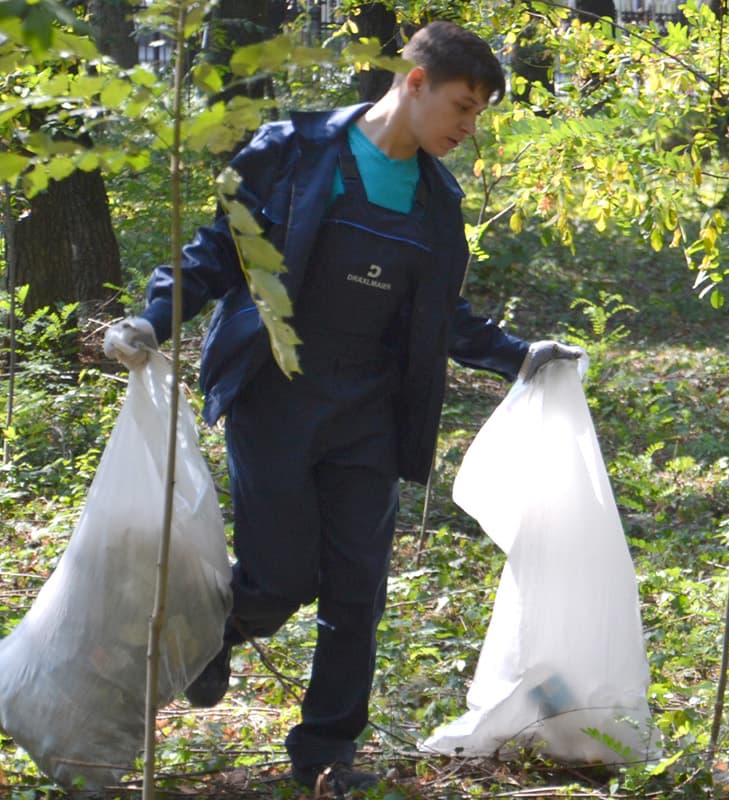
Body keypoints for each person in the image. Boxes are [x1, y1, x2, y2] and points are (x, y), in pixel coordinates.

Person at [102, 21, 581, 796]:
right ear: (414, 82)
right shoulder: (293, 150)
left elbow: (440, 316)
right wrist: (152, 321)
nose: (468, 128)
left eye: (477, 116)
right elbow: (219, 251)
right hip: (275, 398)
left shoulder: (436, 199)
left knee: (358, 591)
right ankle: (201, 639)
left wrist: (519, 355)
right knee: (281, 577)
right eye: (462, 107)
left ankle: (326, 753)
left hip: (370, 414)